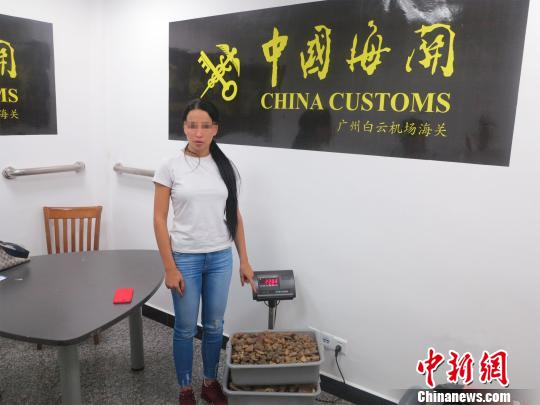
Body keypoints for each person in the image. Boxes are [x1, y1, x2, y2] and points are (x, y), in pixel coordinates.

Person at [153, 98, 256, 405]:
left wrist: (244, 260)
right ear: (184, 128)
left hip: (220, 257)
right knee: (185, 328)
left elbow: (235, 216)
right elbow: (158, 219)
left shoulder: (225, 166)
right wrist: (169, 267)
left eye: (205, 126)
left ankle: (209, 382)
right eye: (192, 126)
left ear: (215, 129)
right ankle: (185, 389)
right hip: (185, 258)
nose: (198, 133)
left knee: (214, 326)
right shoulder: (170, 166)